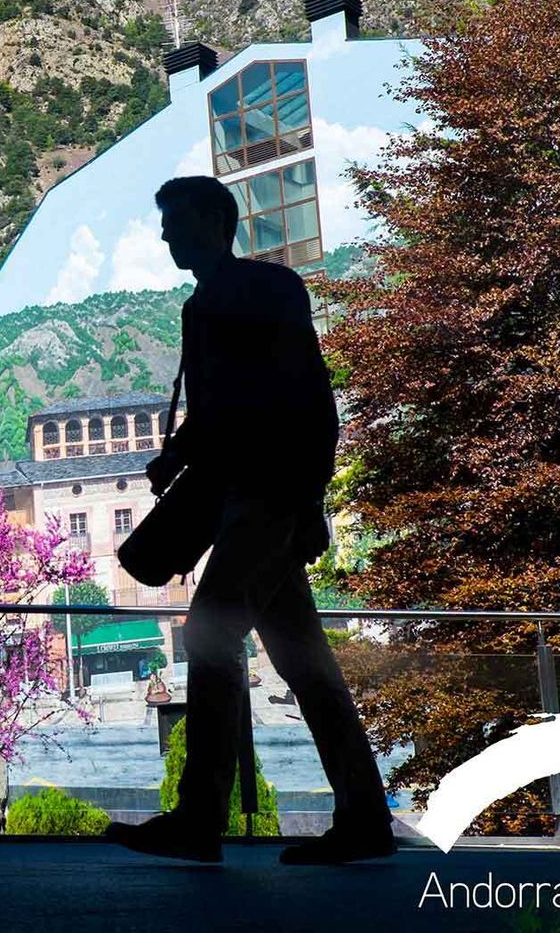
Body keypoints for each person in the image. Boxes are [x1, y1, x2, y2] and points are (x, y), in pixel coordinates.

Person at [105, 175, 393, 865]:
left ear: (213, 221)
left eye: (175, 221)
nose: (165, 234)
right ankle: (364, 817)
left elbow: (308, 398)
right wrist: (175, 457)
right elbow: (221, 412)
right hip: (253, 503)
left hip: (266, 501)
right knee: (304, 662)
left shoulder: (262, 292)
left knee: (210, 631)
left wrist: (309, 500)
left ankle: (200, 817)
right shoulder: (212, 302)